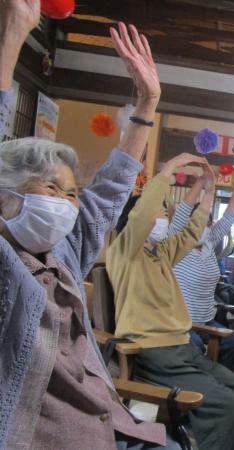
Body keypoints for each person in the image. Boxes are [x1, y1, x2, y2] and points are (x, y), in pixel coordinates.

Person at [0, 2, 178, 447]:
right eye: (50, 187)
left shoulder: (64, 252)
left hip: (105, 422)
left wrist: (148, 103)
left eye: (71, 193)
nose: (65, 203)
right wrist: (15, 32)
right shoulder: (5, 261)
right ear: (4, 195)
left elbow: (112, 188)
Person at [107, 155, 234, 450]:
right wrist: (169, 169)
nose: (165, 216)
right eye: (161, 211)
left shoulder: (160, 252)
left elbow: (192, 231)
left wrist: (209, 189)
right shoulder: (124, 252)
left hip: (184, 346)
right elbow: (141, 216)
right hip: (156, 353)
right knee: (227, 407)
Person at [167, 170, 234, 374]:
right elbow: (183, 210)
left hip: (205, 320)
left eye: (208, 223)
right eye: (198, 221)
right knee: (194, 347)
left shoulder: (210, 242)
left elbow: (228, 219)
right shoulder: (177, 242)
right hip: (180, 323)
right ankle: (203, 384)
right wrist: (200, 183)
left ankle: (225, 382)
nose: (203, 226)